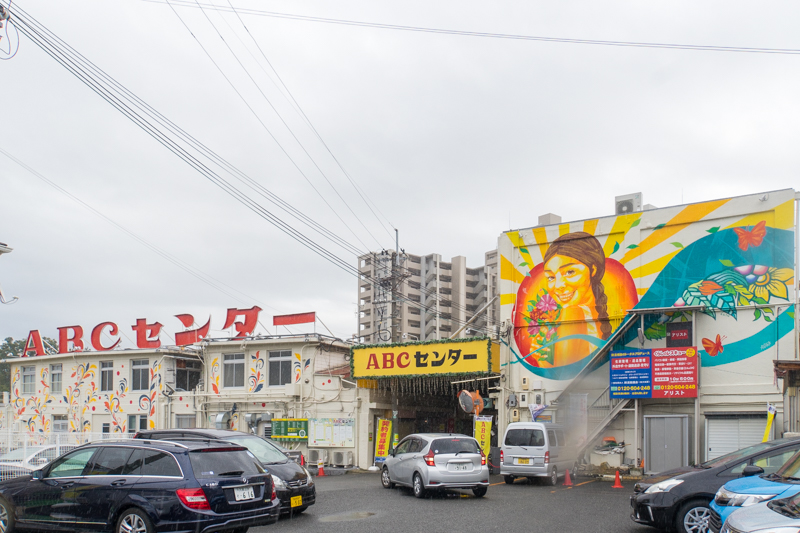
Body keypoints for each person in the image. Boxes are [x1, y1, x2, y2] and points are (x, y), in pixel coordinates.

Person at [541, 232, 611, 366]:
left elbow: (565, 372)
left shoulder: (573, 314)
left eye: (570, 272)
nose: (558, 285)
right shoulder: (583, 313)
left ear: (593, 269)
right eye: (551, 277)